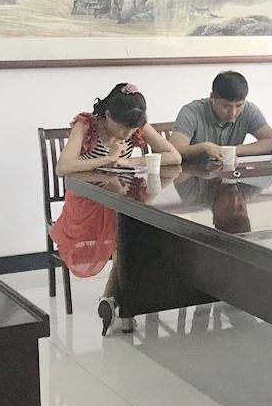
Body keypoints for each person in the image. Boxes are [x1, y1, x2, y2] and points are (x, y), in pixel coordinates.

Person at [49, 83, 182, 335]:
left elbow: (174, 156)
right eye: (123, 128)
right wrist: (109, 159)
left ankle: (114, 299)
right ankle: (122, 298)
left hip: (123, 198)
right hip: (87, 202)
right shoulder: (86, 125)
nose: (128, 134)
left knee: (135, 225)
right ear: (108, 115)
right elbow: (63, 167)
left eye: (133, 129)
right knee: (129, 232)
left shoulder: (134, 123)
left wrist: (129, 161)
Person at [169, 70, 272, 163]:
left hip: (230, 175)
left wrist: (235, 150)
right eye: (226, 106)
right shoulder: (191, 112)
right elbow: (174, 151)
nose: (233, 113)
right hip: (192, 174)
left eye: (239, 105)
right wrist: (204, 147)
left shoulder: (249, 110)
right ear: (212, 97)